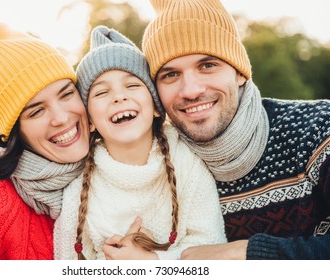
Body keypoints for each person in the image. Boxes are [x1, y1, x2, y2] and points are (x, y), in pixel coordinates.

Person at [141, 0, 330, 259]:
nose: (191, 90)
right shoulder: (155, 165)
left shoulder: (317, 129)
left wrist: (245, 254)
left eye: (207, 65)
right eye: (170, 75)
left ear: (240, 73)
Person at [54, 25, 226, 260]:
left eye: (132, 85)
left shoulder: (187, 162)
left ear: (156, 106)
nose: (119, 96)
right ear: (90, 121)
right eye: (101, 93)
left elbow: (211, 242)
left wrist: (151, 262)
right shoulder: (80, 187)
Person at [0, 20, 90, 259]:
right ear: (14, 132)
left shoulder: (111, 171)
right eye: (36, 111)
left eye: (66, 93)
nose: (61, 118)